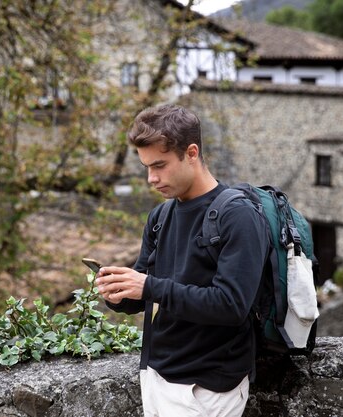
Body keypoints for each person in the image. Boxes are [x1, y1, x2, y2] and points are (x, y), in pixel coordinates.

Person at [95, 104, 270, 417]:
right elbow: (145, 291)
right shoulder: (160, 216)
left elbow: (231, 305)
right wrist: (118, 293)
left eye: (160, 165)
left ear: (191, 152)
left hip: (208, 386)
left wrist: (149, 287)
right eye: (146, 167)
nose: (151, 178)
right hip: (158, 376)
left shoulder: (238, 215)